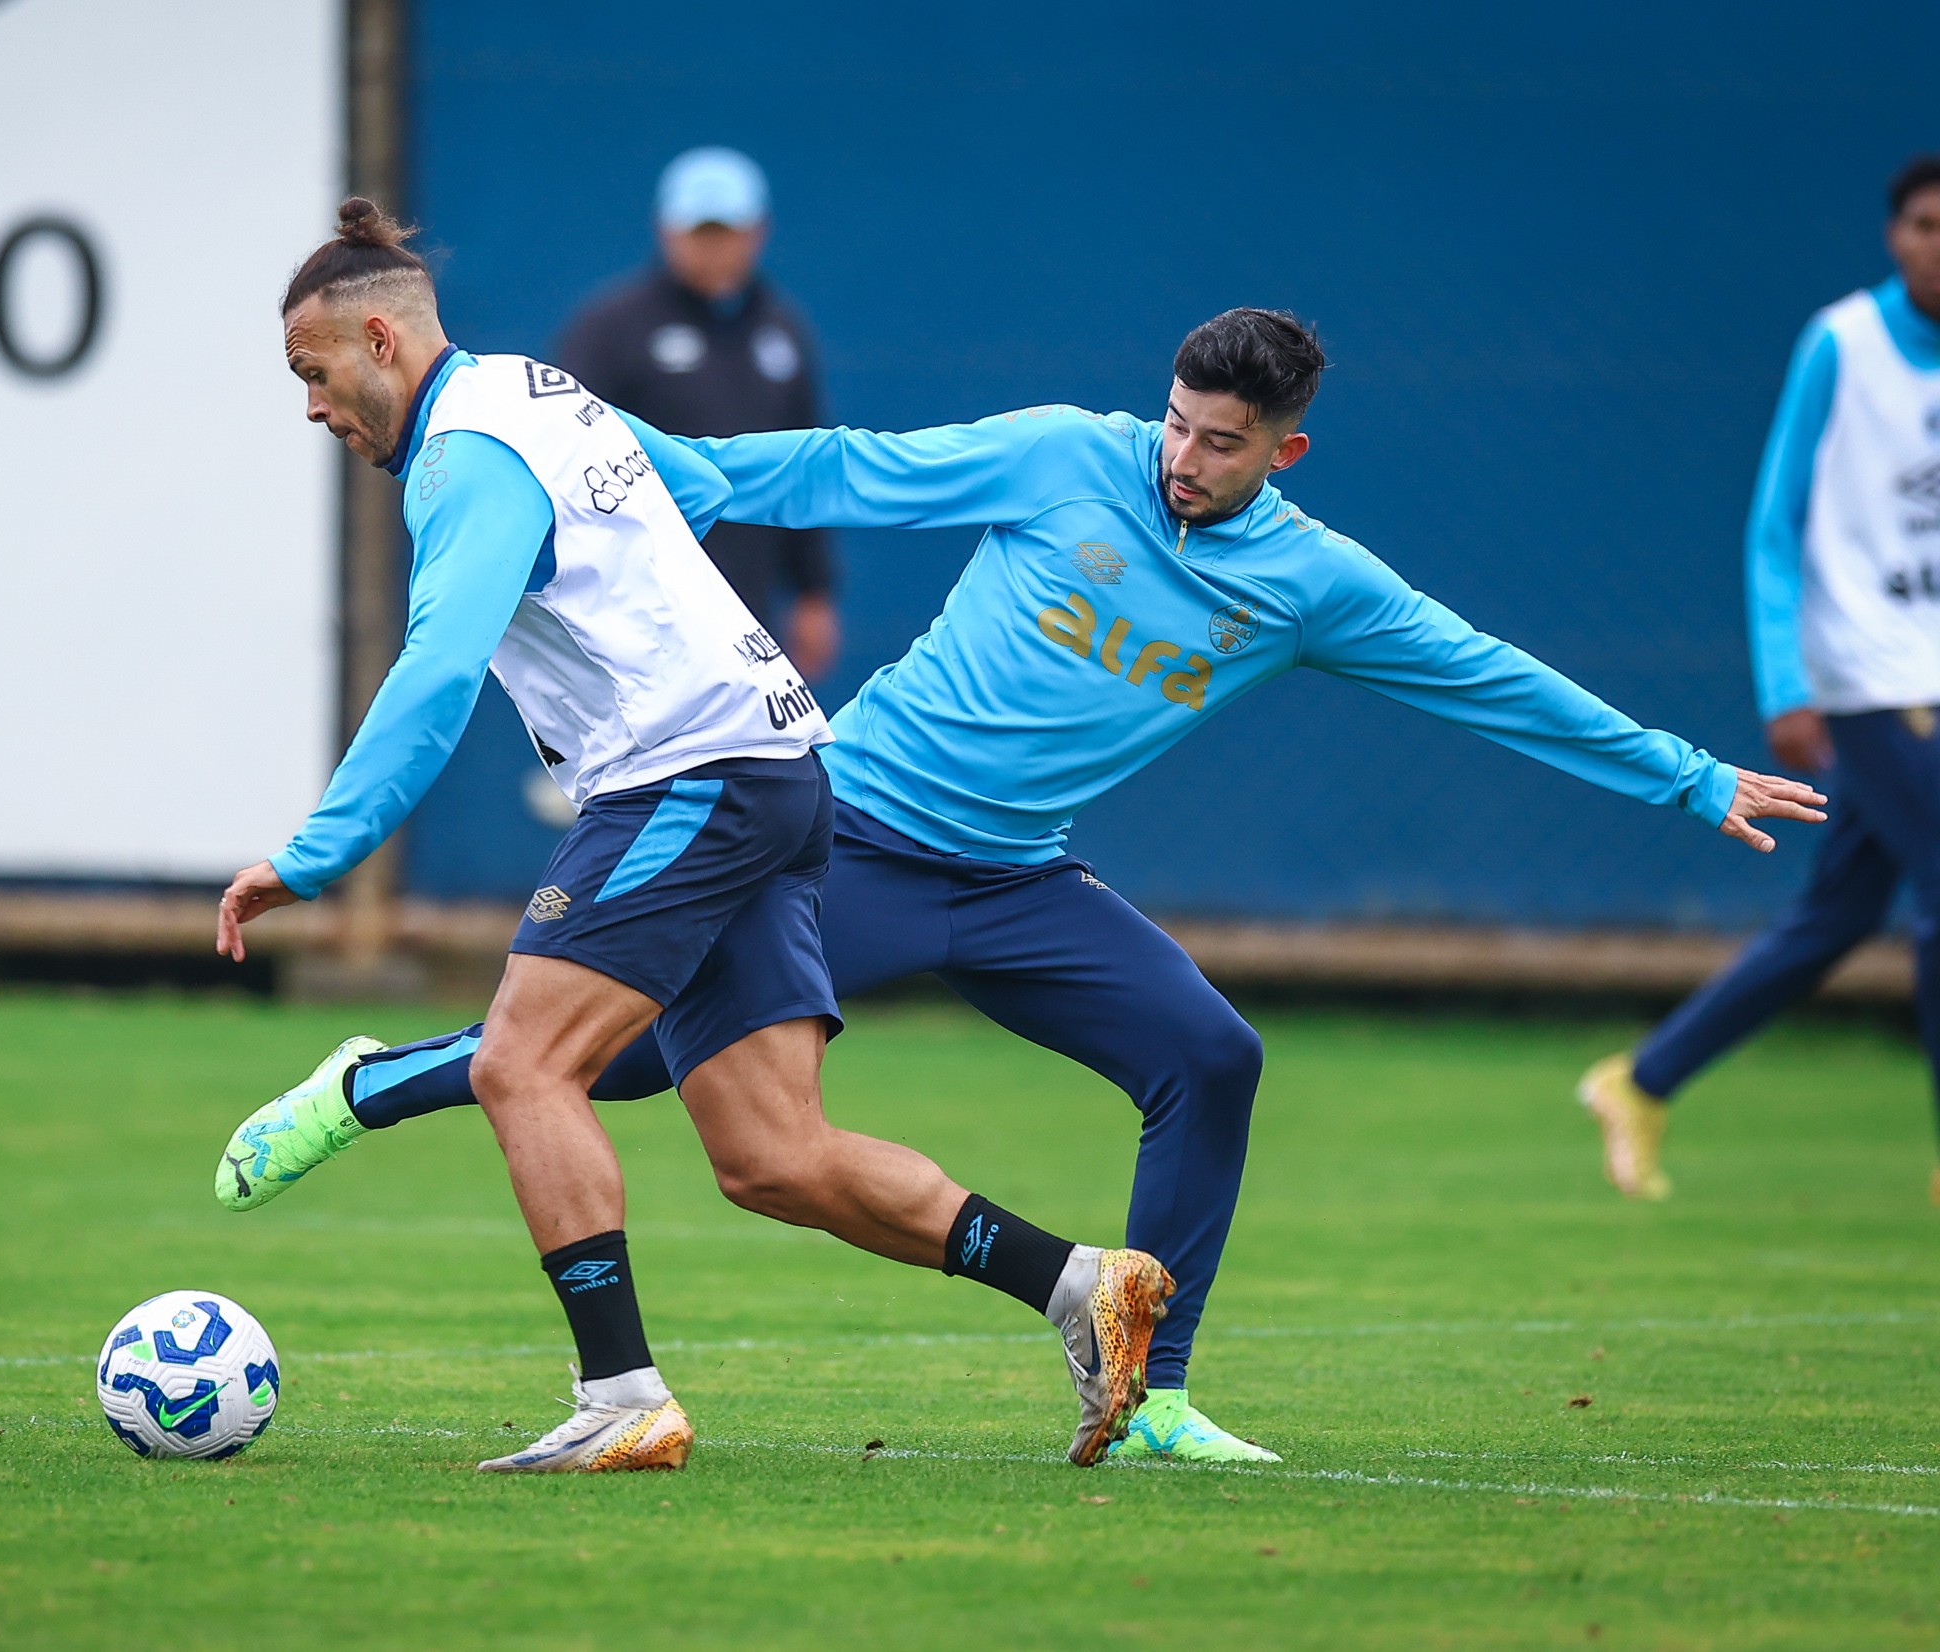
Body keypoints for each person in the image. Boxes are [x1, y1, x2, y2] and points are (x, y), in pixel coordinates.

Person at [242, 306, 1827, 1462]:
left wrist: (1687, 776)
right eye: (1178, 424)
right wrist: (672, 470)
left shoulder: (1314, 584)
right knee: (636, 1060)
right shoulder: (1071, 456)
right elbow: (856, 468)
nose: (1184, 458)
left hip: (1020, 882)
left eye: (1223, 443)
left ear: (1288, 451)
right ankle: (369, 1087)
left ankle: (1156, 1397)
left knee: (1210, 1054)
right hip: (850, 829)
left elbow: (1484, 674)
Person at [211, 198, 1175, 1475]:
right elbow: (704, 483)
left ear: (379, 340)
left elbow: (438, 664)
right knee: (775, 1156)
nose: (313, 406)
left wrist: (315, 852)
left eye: (313, 372)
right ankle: (1079, 1285)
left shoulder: (459, 459)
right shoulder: (534, 390)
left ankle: (619, 1395)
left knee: (521, 1065)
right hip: (776, 767)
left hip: (684, 775)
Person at [1580, 155, 1940, 1206]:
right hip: (1867, 675)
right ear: (1894, 235)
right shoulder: (1843, 342)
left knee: (1838, 916)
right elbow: (1775, 526)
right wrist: (1786, 683)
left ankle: (1641, 1080)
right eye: (1926, 224)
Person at [553, 147, 841, 679]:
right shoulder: (611, 328)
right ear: (666, 231)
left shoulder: (783, 331)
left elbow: (805, 463)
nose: (713, 249)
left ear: (757, 232)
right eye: (699, 233)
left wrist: (813, 590)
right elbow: (561, 451)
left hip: (747, 599)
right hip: (637, 599)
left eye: (725, 233)